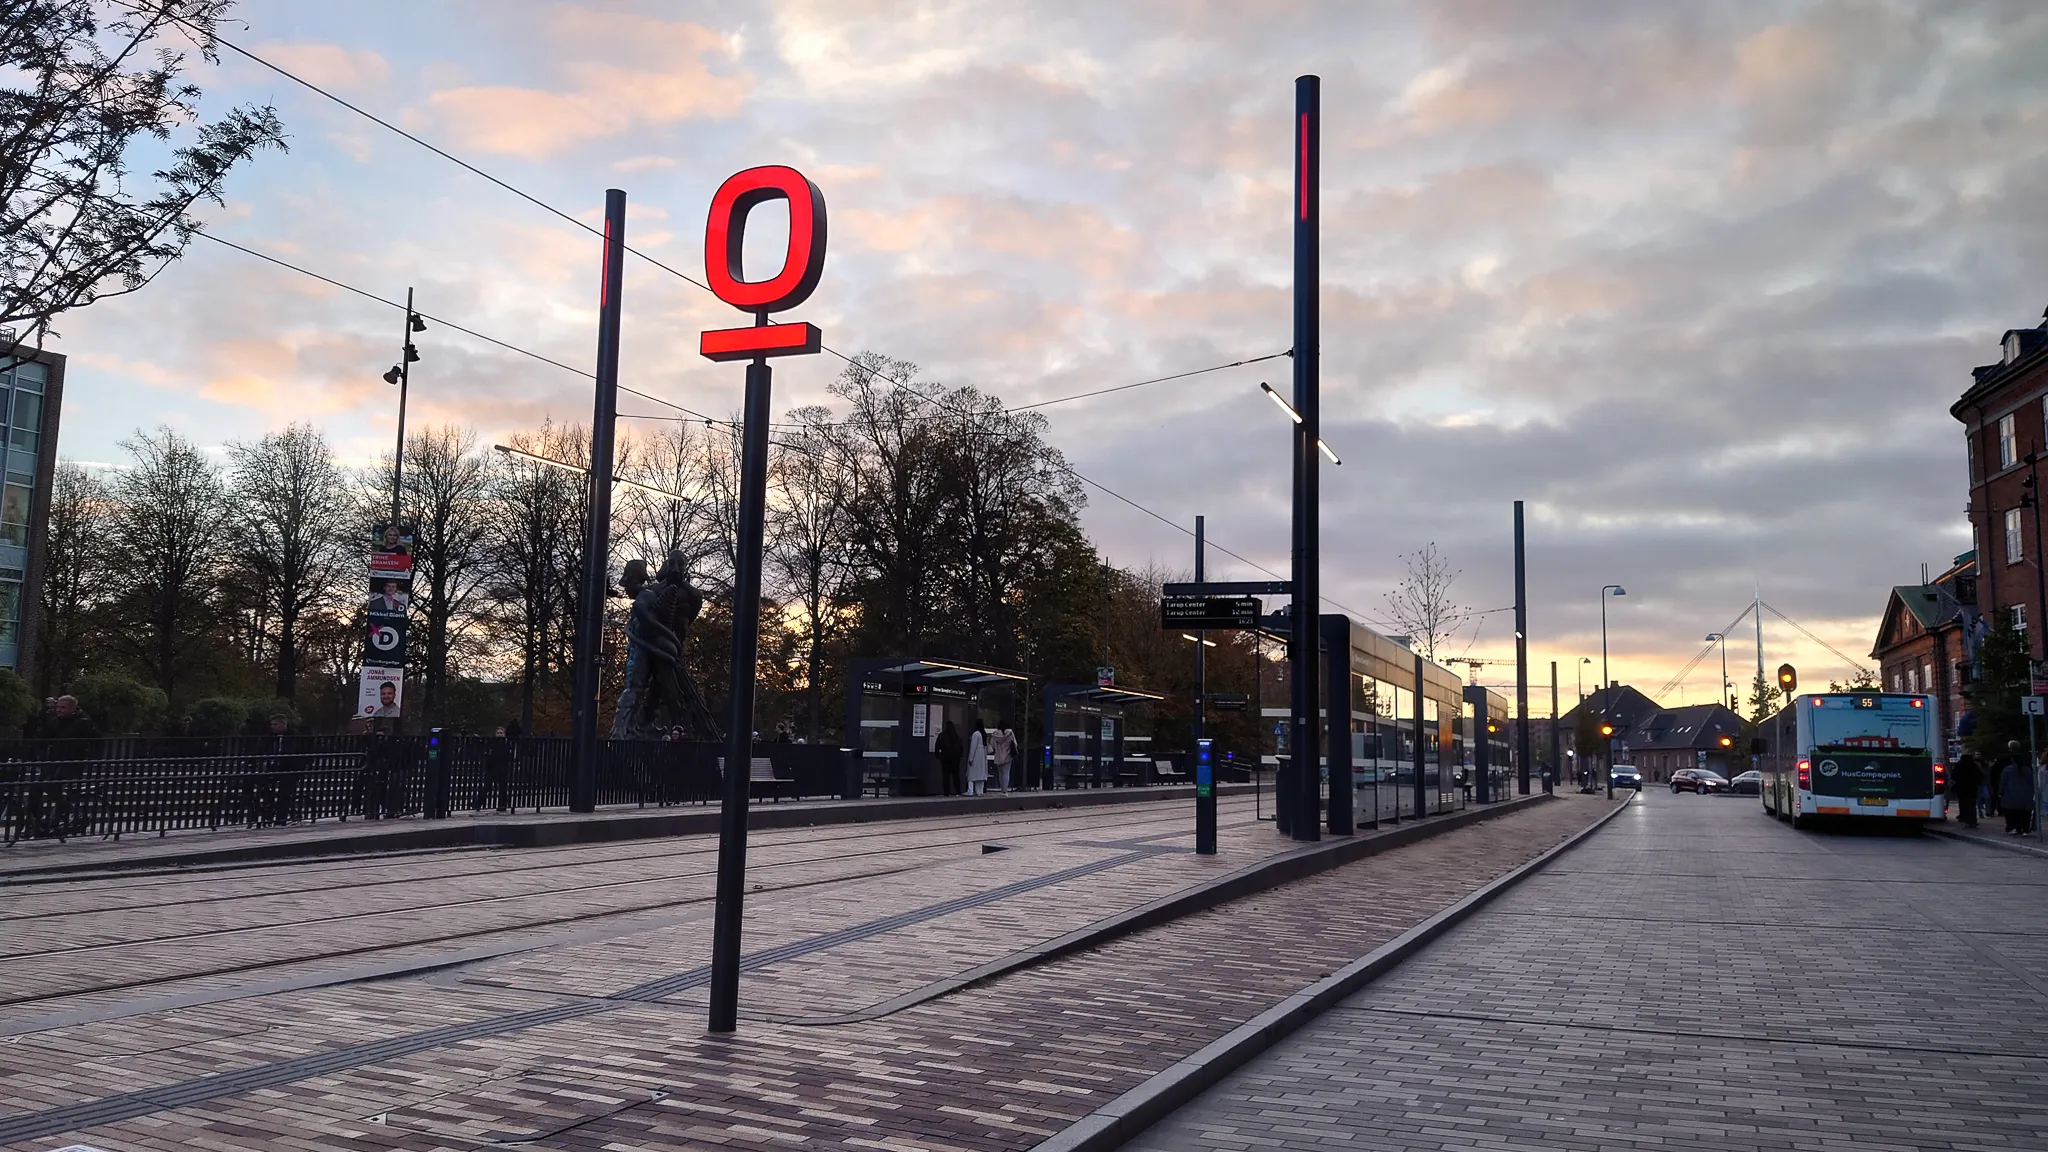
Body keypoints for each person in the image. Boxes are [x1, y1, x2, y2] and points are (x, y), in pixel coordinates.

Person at [478, 725, 515, 813]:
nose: (499, 735)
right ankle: (479, 804)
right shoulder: (493, 743)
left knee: (502, 788)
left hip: (501, 769)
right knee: (487, 787)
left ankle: (502, 805)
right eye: (498, 733)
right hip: (493, 768)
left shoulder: (506, 743)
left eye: (501, 733)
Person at [2003, 751, 2038, 835]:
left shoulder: (2007, 770)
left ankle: (2013, 828)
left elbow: (2003, 782)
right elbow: (2032, 783)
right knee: (2025, 814)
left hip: (2011, 796)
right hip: (2026, 796)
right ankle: (2024, 829)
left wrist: (2000, 792)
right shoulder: (2028, 770)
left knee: (2011, 813)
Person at [1953, 752, 1982, 828]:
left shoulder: (1959, 765)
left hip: (1962, 788)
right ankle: (1972, 820)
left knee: (1964, 805)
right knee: (1971, 805)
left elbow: (1954, 775)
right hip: (1972, 788)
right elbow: (1979, 776)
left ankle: (1965, 818)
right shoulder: (1974, 766)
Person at [935, 720, 964, 796]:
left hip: (945, 758)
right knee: (955, 775)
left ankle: (946, 792)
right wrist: (960, 756)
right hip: (955, 759)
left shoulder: (942, 736)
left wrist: (938, 755)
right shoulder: (957, 737)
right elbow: (961, 748)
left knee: (946, 775)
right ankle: (958, 791)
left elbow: (937, 746)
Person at [990, 724, 1017, 792]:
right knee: (1006, 773)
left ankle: (1002, 788)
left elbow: (992, 744)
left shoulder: (995, 734)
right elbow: (1015, 744)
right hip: (1007, 756)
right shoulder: (1010, 733)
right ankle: (1005, 790)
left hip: (998, 756)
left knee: (1000, 774)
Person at [966, 721, 988, 797]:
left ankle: (970, 790)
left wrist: (971, 758)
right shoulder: (983, 734)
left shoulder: (976, 734)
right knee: (981, 775)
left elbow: (973, 747)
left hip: (976, 756)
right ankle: (979, 791)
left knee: (972, 774)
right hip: (983, 756)